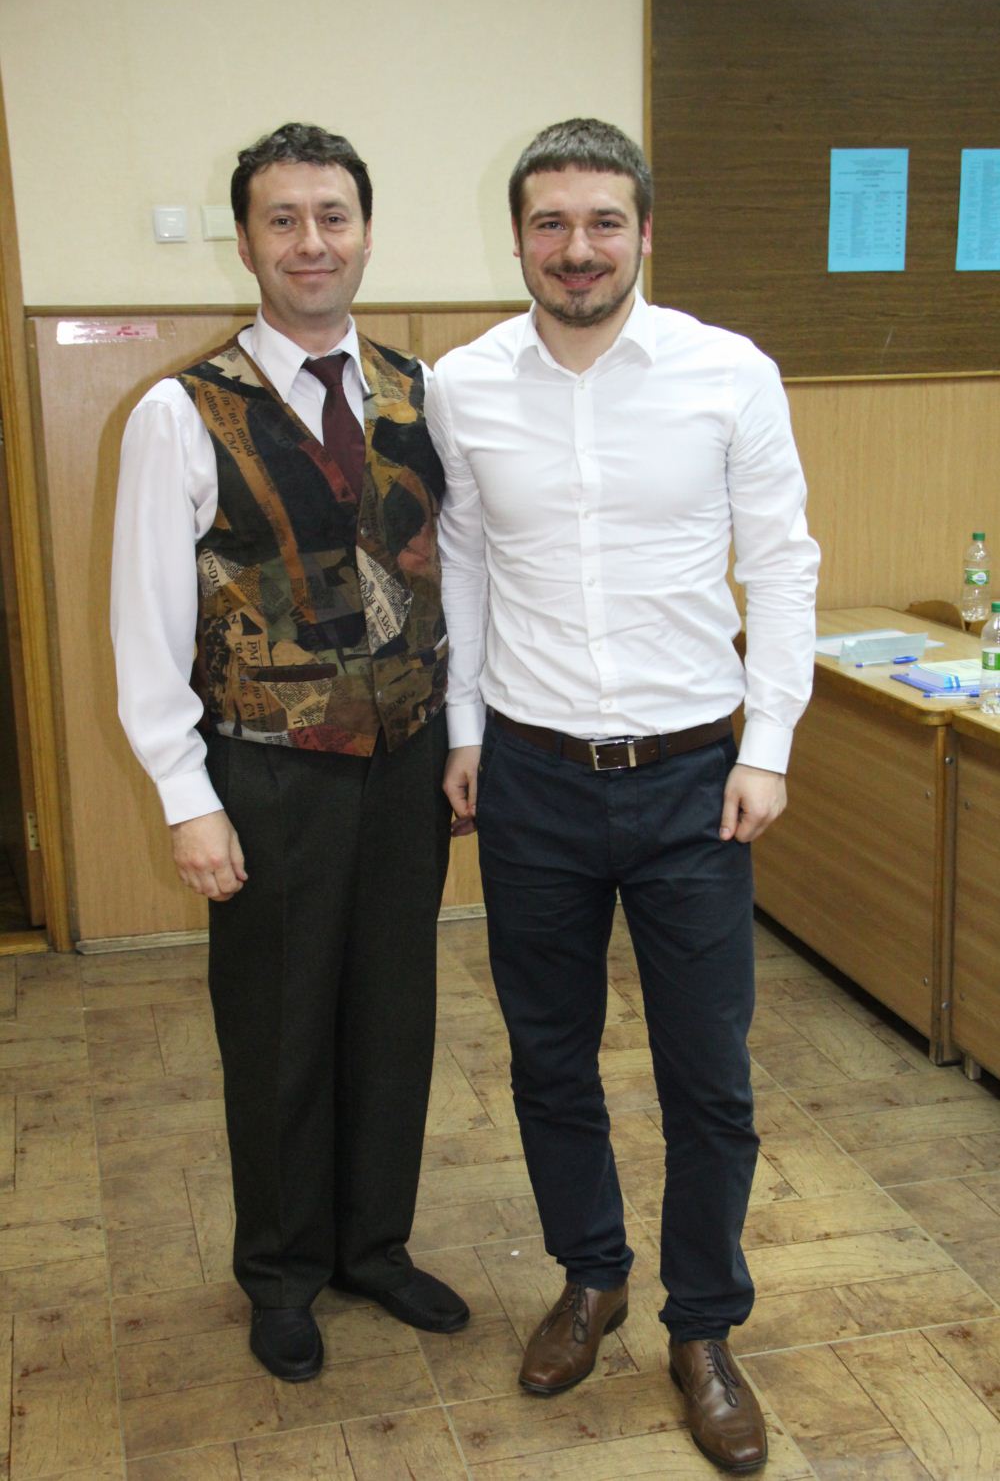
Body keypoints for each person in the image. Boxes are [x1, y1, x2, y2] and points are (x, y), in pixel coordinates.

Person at [426, 118, 819, 1473]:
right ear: (519, 238)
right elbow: (464, 567)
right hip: (530, 777)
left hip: (694, 783)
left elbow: (783, 561)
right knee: (550, 1058)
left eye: (603, 222)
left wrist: (769, 744)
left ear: (645, 232)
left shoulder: (728, 373)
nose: (577, 248)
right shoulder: (464, 386)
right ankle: (590, 1275)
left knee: (710, 1079)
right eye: (551, 223)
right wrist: (465, 731)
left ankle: (703, 1327)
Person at [111, 122, 468, 1384]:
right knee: (276, 1030)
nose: (311, 242)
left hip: (407, 763)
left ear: (365, 233)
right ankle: (280, 1270)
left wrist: (464, 733)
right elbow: (145, 622)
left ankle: (374, 1244)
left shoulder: (423, 394)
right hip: (265, 769)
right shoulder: (179, 412)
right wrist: (184, 794)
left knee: (392, 1014)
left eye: (332, 217)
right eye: (283, 220)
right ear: (247, 241)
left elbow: (459, 580)